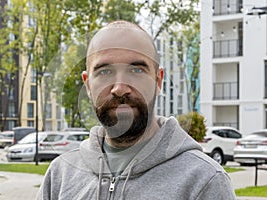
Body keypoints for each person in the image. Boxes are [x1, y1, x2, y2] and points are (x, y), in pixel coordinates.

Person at [37, 20, 236, 200]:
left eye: (136, 70)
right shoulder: (60, 175)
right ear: (88, 85)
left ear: (158, 81)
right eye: (104, 71)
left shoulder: (204, 181)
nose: (120, 88)